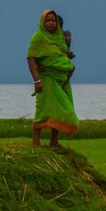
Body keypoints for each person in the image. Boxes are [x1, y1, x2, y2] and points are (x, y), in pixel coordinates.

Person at [27, 9, 78, 147]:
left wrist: (68, 53)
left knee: (61, 110)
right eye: (48, 20)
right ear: (43, 22)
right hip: (47, 78)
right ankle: (36, 142)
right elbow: (31, 58)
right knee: (42, 109)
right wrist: (37, 80)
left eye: (53, 20)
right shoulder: (38, 37)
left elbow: (61, 53)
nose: (50, 23)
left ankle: (53, 141)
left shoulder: (60, 37)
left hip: (63, 79)